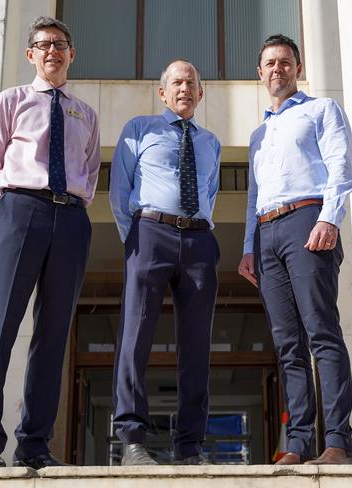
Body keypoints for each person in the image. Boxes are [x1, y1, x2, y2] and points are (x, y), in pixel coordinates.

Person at [0, 16, 100, 469]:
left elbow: (90, 170)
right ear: (31, 55)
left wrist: (72, 210)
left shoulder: (86, 113)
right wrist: (5, 217)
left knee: (53, 333)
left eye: (61, 44)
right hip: (20, 210)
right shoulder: (12, 101)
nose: (52, 51)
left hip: (71, 218)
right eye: (43, 45)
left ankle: (35, 443)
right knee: (1, 325)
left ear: (72, 54)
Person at [238, 34, 352, 465]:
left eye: (285, 62)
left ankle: (338, 442)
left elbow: (341, 167)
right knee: (288, 344)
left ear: (298, 68)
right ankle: (298, 442)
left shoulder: (320, 110)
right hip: (266, 235)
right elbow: (253, 197)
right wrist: (248, 246)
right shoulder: (258, 134)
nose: (277, 69)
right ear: (260, 72)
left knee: (322, 332)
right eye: (269, 63)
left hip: (307, 220)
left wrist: (330, 218)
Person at [109, 59, 221, 466]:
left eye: (191, 82)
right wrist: (136, 239)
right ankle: (132, 439)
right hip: (150, 235)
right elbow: (119, 194)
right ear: (162, 92)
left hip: (199, 241)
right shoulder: (139, 129)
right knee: (135, 336)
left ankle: (189, 447)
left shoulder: (211, 142)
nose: (184, 88)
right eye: (176, 82)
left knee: (196, 345)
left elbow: (209, 191)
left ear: (200, 92)